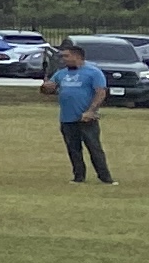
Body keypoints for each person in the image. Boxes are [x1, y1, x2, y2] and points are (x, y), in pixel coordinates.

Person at [48, 41, 115, 185]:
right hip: (67, 118)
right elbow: (50, 88)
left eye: (66, 56)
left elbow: (100, 93)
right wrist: (46, 87)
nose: (63, 59)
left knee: (94, 147)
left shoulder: (93, 72)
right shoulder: (61, 73)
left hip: (86, 118)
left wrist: (91, 111)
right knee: (73, 149)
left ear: (77, 56)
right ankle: (79, 176)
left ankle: (105, 177)